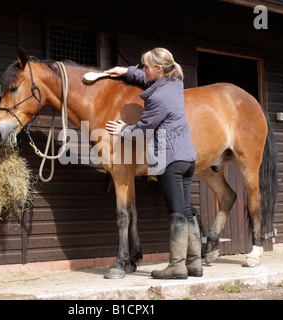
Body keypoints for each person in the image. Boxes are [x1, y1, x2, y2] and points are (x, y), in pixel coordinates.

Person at [104, 48, 203, 279]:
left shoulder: (159, 99)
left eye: (146, 66)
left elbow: (144, 129)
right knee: (187, 211)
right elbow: (149, 79)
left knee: (176, 213)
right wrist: (127, 71)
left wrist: (122, 129)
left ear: (159, 68)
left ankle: (177, 266)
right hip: (188, 158)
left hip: (170, 160)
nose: (143, 70)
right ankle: (195, 263)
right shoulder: (175, 82)